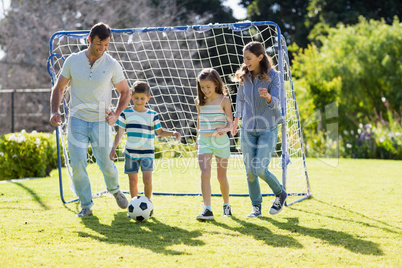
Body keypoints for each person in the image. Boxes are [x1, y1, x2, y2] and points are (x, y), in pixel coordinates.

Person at [50, 22, 131, 218]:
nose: (102, 49)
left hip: (101, 122)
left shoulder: (111, 64)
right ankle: (86, 205)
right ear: (89, 40)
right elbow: (59, 88)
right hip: (77, 120)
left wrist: (116, 114)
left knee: (106, 164)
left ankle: (115, 190)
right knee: (78, 164)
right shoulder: (73, 61)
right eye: (98, 45)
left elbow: (125, 91)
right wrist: (54, 111)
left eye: (106, 45)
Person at [231, 41, 287, 218]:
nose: (245, 62)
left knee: (260, 169)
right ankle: (256, 207)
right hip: (247, 128)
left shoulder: (274, 76)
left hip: (267, 128)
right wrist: (235, 121)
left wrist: (269, 97)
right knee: (250, 171)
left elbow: (277, 102)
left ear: (260, 57)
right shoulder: (244, 76)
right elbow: (240, 100)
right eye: (244, 58)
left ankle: (280, 193)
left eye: (249, 58)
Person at [109, 81, 181, 200]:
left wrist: (173, 133)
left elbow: (160, 132)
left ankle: (148, 204)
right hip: (130, 153)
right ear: (131, 97)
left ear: (148, 98)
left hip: (147, 153)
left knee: (147, 180)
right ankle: (133, 205)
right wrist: (113, 149)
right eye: (136, 98)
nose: (139, 101)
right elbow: (120, 133)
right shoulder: (125, 114)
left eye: (142, 98)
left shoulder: (153, 115)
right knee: (133, 181)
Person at [195, 68, 233, 221]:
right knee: (204, 173)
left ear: (216, 84)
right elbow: (199, 120)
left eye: (208, 87)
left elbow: (230, 123)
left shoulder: (224, 100)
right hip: (204, 142)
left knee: (221, 176)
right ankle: (207, 209)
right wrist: (197, 138)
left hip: (221, 143)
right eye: (202, 87)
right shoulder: (199, 101)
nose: (205, 90)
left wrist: (224, 129)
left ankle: (226, 205)